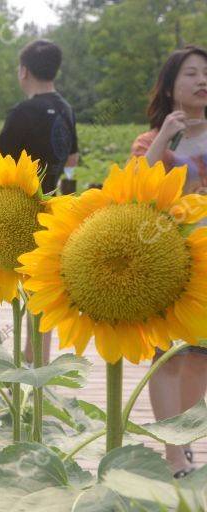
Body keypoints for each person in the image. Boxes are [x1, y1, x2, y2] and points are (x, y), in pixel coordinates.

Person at [0, 39, 80, 365]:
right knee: (43, 290)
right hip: (52, 207)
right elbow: (73, 156)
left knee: (29, 292)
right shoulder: (66, 108)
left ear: (24, 71)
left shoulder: (24, 111)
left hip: (19, 211)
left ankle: (31, 363)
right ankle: (39, 360)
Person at [130, 44, 207, 478]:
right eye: (191, 73)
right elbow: (136, 188)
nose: (201, 80)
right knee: (167, 357)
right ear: (171, 85)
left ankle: (187, 439)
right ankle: (172, 455)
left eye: (206, 73)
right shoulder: (151, 140)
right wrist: (164, 136)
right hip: (166, 259)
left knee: (199, 357)